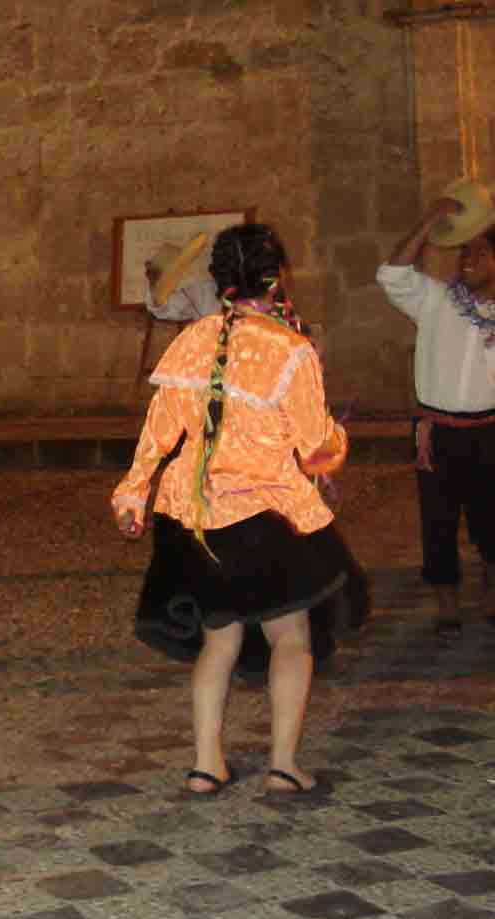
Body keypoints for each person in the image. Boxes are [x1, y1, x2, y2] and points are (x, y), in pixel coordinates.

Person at [113, 223, 363, 796]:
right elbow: (314, 443)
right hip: (266, 519)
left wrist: (132, 493)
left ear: (219, 280)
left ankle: (206, 764)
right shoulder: (291, 348)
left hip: (195, 515)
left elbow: (159, 431)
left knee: (218, 639)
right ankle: (282, 765)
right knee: (290, 637)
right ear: (280, 278)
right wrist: (337, 447)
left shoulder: (193, 340)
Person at [377, 180, 495, 638]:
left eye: (480, 252)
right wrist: (428, 221)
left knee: (491, 515)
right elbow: (391, 273)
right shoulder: (435, 300)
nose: (467, 259)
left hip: (489, 430)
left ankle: (490, 582)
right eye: (463, 252)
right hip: (438, 431)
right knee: (438, 518)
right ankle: (446, 598)